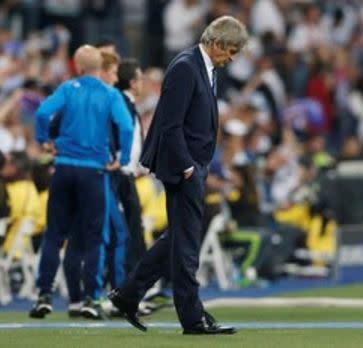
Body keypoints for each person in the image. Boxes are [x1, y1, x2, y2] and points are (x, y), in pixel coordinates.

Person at [108, 16, 248, 334]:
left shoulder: (204, 67)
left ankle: (129, 296)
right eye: (230, 50)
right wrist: (187, 167)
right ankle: (192, 317)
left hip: (192, 166)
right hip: (183, 168)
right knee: (186, 243)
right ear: (215, 43)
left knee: (179, 238)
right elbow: (170, 123)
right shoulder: (186, 67)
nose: (232, 58)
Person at [29, 45, 133, 319]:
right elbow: (126, 126)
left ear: (75, 66)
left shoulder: (67, 88)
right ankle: (91, 298)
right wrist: (122, 160)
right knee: (95, 238)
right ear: (99, 66)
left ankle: (44, 294)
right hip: (93, 171)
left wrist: (43, 141)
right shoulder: (110, 94)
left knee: (54, 234)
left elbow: (42, 113)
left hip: (64, 168)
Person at [115, 59, 146, 274]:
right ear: (133, 83)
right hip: (120, 173)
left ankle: (137, 281)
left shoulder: (128, 104)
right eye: (140, 79)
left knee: (134, 227)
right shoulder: (121, 104)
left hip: (127, 172)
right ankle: (131, 281)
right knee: (128, 228)